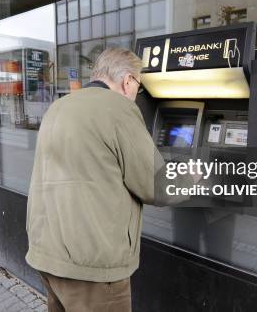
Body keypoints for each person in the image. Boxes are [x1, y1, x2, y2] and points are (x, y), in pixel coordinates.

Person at [26, 47, 162, 312]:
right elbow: (156, 184)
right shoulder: (118, 109)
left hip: (50, 253)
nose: (137, 94)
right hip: (92, 268)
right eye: (140, 86)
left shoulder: (59, 107)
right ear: (128, 81)